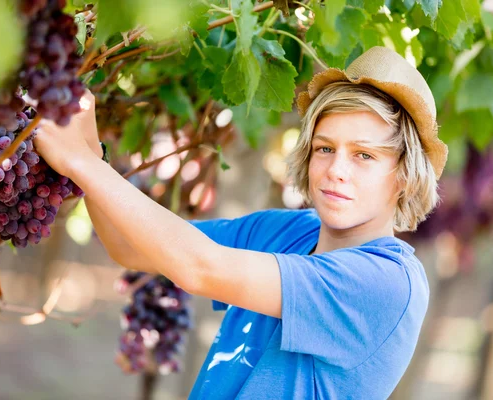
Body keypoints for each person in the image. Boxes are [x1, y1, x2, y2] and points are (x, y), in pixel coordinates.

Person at [34, 46, 448, 399]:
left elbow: (198, 268)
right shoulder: (287, 232)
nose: (336, 170)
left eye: (364, 155)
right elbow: (129, 248)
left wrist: (80, 161)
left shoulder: (386, 283)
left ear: (404, 175)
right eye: (325, 148)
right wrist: (90, 147)